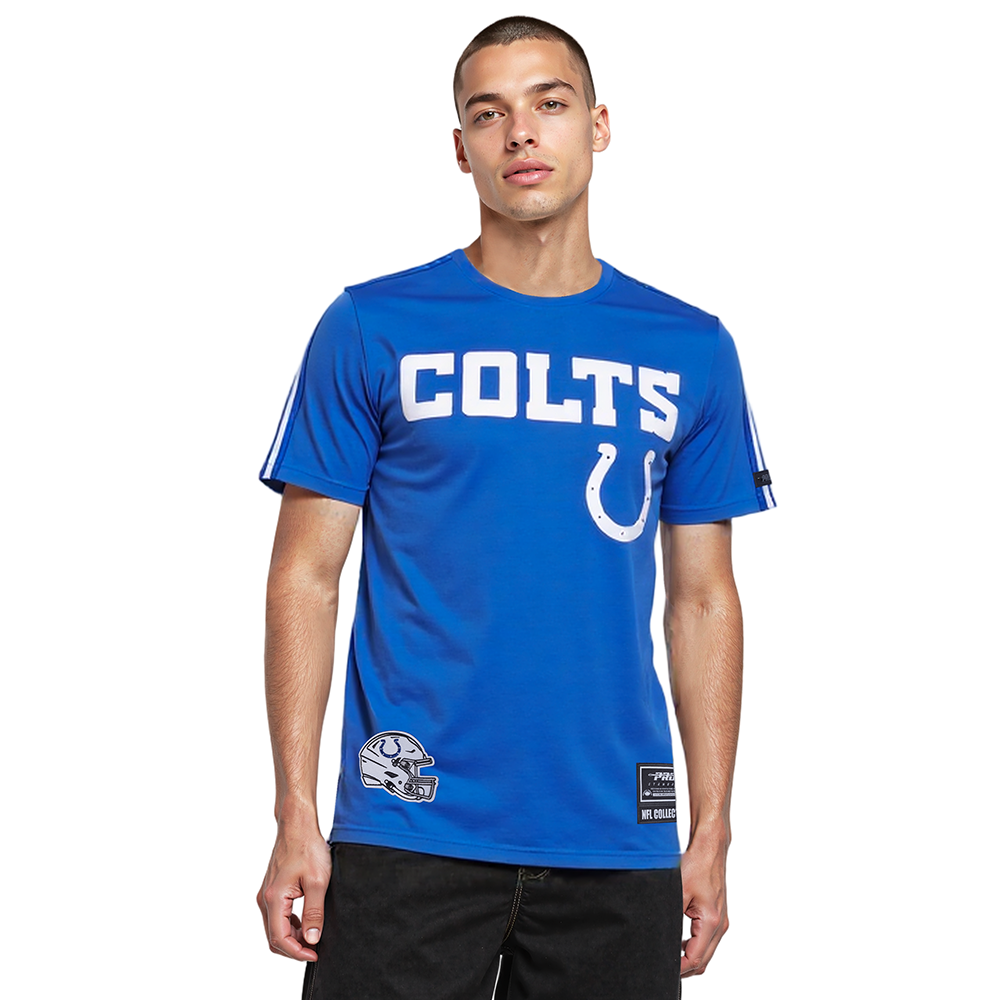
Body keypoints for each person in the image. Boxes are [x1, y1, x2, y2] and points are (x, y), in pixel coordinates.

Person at [255, 15, 775, 1000]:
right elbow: (305, 576)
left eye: (550, 103)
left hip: (617, 837)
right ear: (461, 148)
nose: (521, 132)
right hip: (407, 824)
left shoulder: (691, 347)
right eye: (489, 114)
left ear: (599, 126)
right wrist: (293, 812)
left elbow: (704, 599)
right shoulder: (371, 326)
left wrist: (711, 828)